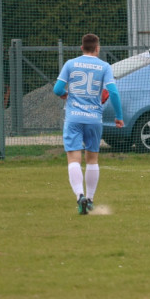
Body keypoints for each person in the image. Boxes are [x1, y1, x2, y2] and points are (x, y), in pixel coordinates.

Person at [52, 33, 124, 215]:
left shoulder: (70, 64)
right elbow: (113, 93)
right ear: (97, 48)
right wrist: (119, 116)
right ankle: (90, 200)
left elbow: (57, 89)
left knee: (73, 158)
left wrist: (67, 96)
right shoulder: (104, 66)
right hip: (94, 119)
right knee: (92, 159)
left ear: (81, 47)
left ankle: (80, 196)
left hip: (74, 118)